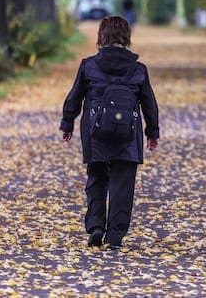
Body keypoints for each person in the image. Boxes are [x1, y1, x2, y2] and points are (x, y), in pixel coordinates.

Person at [60, 16, 160, 250]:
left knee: (96, 177)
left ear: (101, 37)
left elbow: (75, 96)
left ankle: (96, 226)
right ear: (127, 38)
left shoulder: (89, 65)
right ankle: (115, 235)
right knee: (122, 184)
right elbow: (149, 103)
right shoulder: (138, 69)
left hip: (95, 132)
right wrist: (152, 132)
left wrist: (67, 123)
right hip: (128, 134)